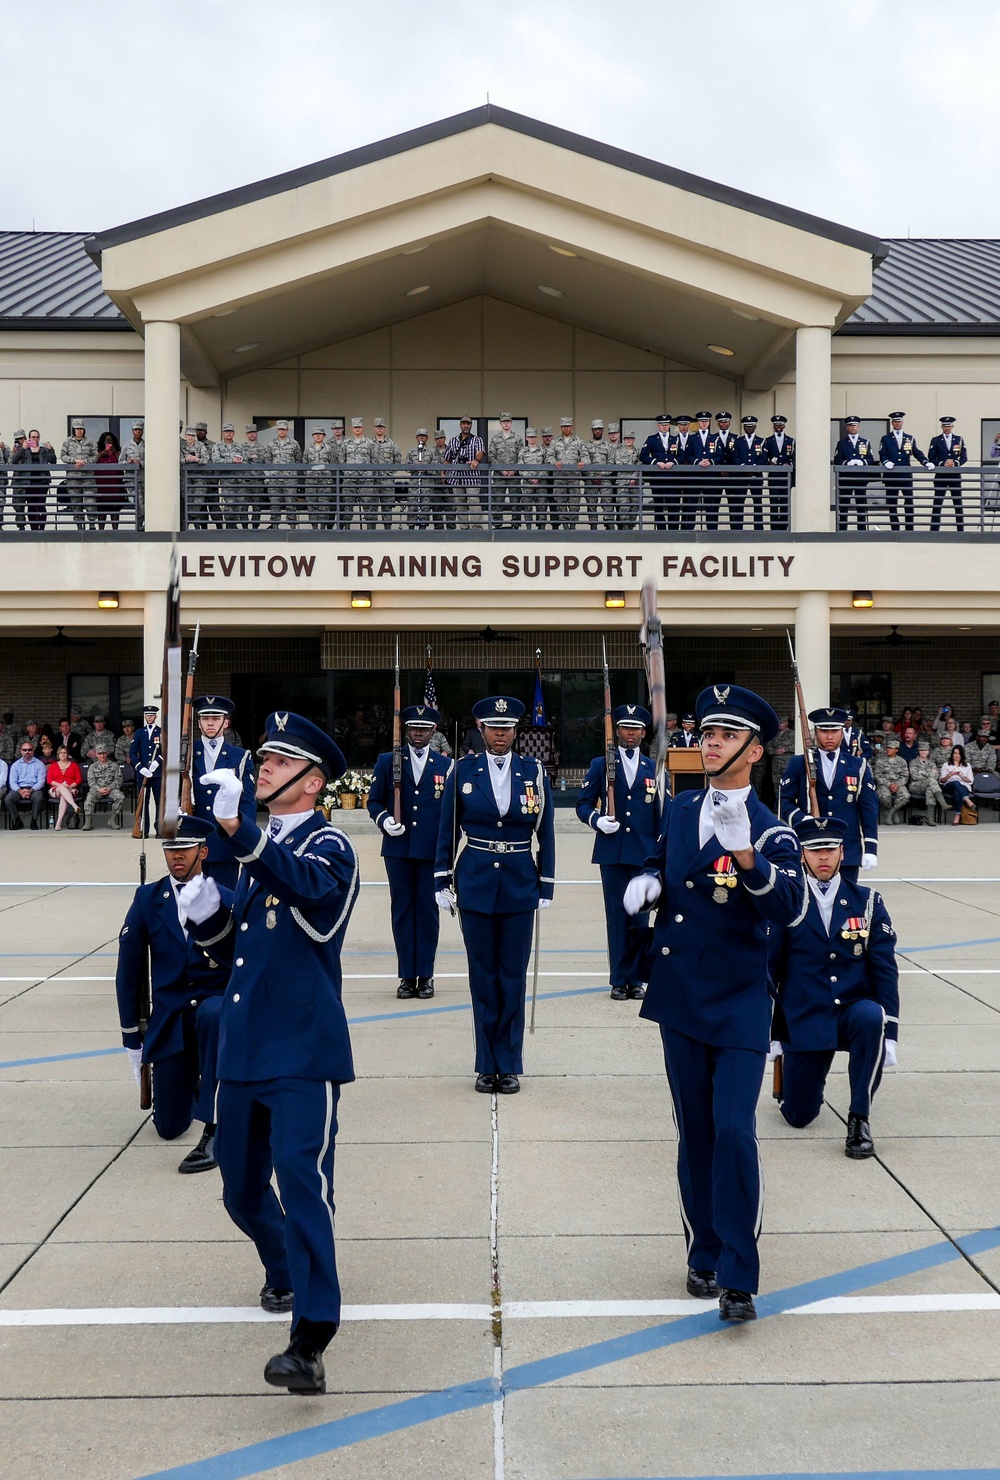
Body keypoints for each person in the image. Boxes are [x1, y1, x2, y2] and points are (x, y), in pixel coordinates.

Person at [179, 711, 360, 1395]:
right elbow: (237, 953)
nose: (264, 768)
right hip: (245, 1048)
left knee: (301, 1182)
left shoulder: (330, 847)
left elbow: (315, 911)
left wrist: (244, 838)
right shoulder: (261, 853)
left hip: (302, 1051)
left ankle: (310, 1340)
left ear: (312, 782)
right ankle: (286, 1270)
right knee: (239, 1188)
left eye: (281, 763)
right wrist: (206, 911)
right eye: (265, 759)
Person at [624, 683, 804, 1322]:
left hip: (738, 999)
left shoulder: (774, 829)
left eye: (726, 736)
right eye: (706, 733)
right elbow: (661, 858)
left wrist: (751, 857)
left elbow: (791, 907)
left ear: (755, 752)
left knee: (733, 1130)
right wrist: (645, 880)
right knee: (694, 1131)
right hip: (680, 996)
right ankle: (701, 1251)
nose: (710, 743)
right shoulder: (677, 811)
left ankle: (738, 1270)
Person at [434, 696, 555, 1095]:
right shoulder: (461, 771)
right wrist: (441, 879)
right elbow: (447, 829)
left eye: (507, 728)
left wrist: (547, 883)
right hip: (476, 882)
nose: (500, 734)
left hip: (520, 881)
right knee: (483, 978)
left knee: (512, 978)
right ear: (481, 729)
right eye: (493, 727)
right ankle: (487, 1064)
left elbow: (546, 831)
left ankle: (511, 1063)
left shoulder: (532, 771)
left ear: (516, 731)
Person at [769, 816, 898, 1160]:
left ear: (843, 852)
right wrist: (772, 1032)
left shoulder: (867, 901)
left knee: (872, 1017)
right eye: (814, 850)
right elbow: (769, 970)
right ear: (801, 855)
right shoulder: (788, 903)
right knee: (799, 1116)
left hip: (851, 1011)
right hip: (805, 1018)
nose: (822, 857)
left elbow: (885, 970)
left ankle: (859, 1119)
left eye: (829, 849)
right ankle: (797, 1086)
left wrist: (892, 1031)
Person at [116, 815, 230, 1173]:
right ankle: (193, 1084)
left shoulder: (226, 899)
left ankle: (216, 1124)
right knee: (168, 1128)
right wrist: (132, 1039)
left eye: (185, 849)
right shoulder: (148, 898)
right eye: (171, 849)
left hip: (213, 1008)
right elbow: (129, 969)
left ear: (204, 851)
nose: (177, 856)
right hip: (171, 1018)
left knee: (213, 1015)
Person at [576, 703, 662, 1001]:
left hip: (643, 853)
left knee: (640, 918)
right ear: (617, 731)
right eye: (625, 728)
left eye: (636, 728)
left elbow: (662, 813)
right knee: (616, 917)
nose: (630, 733)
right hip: (612, 853)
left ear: (643, 732)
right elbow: (583, 804)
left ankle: (637, 978)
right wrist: (597, 820)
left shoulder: (654, 768)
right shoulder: (602, 764)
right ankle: (618, 978)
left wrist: (661, 852)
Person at [367, 704, 451, 998]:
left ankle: (426, 975)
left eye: (424, 728)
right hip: (399, 849)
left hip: (431, 851)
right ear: (406, 730)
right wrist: (384, 820)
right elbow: (374, 801)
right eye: (413, 728)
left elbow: (451, 812)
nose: (418, 733)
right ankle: (406, 976)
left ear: (433, 731)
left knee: (428, 913)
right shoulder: (388, 761)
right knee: (402, 912)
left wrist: (448, 852)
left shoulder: (445, 766)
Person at [779, 706, 879, 885]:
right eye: (824, 731)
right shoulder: (798, 764)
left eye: (834, 730)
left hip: (846, 849)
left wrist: (871, 847)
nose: (830, 736)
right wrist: (801, 819)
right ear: (815, 732)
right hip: (809, 848)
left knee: (846, 904)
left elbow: (868, 809)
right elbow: (784, 801)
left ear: (842, 732)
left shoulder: (858, 765)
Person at [878, 413, 931, 533]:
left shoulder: (909, 438)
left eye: (899, 421)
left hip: (905, 476)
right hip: (891, 476)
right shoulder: (886, 438)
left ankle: (909, 530)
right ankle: (895, 530)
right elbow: (882, 454)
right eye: (895, 421)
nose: (897, 423)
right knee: (892, 505)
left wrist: (925, 462)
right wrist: (886, 462)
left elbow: (917, 453)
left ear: (903, 422)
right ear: (892, 423)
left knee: (908, 503)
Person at [833, 416, 876, 531]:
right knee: (844, 506)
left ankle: (861, 530)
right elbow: (837, 459)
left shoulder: (865, 442)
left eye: (855, 425)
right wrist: (847, 462)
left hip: (860, 478)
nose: (853, 427)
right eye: (851, 425)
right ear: (847, 427)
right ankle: (842, 530)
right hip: (846, 479)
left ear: (858, 426)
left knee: (861, 506)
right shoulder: (841, 443)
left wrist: (862, 461)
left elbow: (871, 458)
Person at [638, 415, 680, 532]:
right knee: (659, 505)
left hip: (672, 477)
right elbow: (643, 456)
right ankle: (661, 531)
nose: (664, 427)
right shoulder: (651, 439)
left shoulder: (675, 439)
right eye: (662, 425)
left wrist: (673, 462)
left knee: (673, 505)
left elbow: (682, 455)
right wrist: (655, 462)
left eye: (666, 424)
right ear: (658, 426)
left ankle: (673, 531)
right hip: (657, 477)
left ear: (669, 426)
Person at [548, 417, 590, 530]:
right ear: (561, 427)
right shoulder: (555, 442)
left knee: (574, 505)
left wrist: (582, 462)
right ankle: (566, 528)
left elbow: (585, 456)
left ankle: (572, 528)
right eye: (564, 426)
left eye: (568, 426)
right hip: (560, 478)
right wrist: (554, 462)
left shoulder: (578, 441)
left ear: (571, 427)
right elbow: (549, 456)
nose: (566, 428)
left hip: (574, 478)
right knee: (560, 504)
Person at [11, 429, 56, 531]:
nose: (35, 439)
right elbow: (14, 460)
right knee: (31, 506)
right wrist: (22, 448)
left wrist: (51, 450)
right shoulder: (25, 450)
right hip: (28, 482)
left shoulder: (43, 450)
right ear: (29, 438)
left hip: (42, 482)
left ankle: (42, 529)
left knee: (41, 506)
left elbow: (53, 461)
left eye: (37, 437)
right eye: (33, 437)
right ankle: (33, 529)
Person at [727, 415, 767, 531]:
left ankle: (759, 528)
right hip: (741, 476)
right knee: (739, 502)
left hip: (756, 476)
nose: (749, 428)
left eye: (751, 426)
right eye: (746, 426)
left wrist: (754, 468)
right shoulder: (738, 441)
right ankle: (738, 528)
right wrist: (744, 468)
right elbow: (735, 456)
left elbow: (763, 458)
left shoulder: (761, 441)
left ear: (755, 427)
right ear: (744, 427)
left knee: (757, 503)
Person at [444, 417, 485, 527]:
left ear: (471, 425)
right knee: (459, 502)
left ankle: (477, 528)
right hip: (456, 477)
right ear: (460, 425)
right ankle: (463, 528)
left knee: (473, 501)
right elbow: (447, 459)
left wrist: (476, 460)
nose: (466, 426)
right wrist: (444, 473)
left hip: (472, 476)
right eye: (463, 423)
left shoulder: (477, 440)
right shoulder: (453, 441)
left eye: (468, 424)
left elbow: (480, 452)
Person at [928, 416, 967, 532]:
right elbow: (931, 457)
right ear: (941, 427)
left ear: (952, 427)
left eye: (949, 426)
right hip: (941, 476)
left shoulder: (959, 439)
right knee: (937, 504)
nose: (947, 428)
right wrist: (942, 463)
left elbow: (964, 457)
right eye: (945, 426)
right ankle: (934, 531)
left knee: (958, 504)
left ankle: (960, 531)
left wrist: (955, 462)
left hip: (955, 476)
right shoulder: (935, 440)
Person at [58, 417, 96, 530]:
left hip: (87, 476)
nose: (79, 431)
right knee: (76, 502)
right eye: (77, 429)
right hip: (73, 477)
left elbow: (95, 456)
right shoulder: (67, 442)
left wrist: (86, 461)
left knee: (90, 501)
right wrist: (74, 460)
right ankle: (79, 526)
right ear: (73, 430)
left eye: (81, 429)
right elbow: (63, 456)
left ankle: (92, 524)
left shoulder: (89, 442)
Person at [489, 413, 524, 529]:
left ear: (511, 423)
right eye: (504, 422)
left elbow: (521, 456)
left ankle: (516, 524)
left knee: (515, 500)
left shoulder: (518, 438)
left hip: (514, 475)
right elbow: (491, 457)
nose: (506, 424)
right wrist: (501, 469)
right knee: (498, 500)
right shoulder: (495, 439)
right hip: (499, 475)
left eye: (508, 421)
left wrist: (514, 470)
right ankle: (497, 524)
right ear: (500, 423)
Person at [131, 704, 162, 833]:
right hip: (143, 773)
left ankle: (159, 830)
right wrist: (140, 767)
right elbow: (132, 753)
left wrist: (157, 762)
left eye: (152, 715)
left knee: (159, 802)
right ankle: (144, 829)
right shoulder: (139, 733)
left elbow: (167, 750)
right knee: (143, 803)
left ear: (156, 716)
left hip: (157, 773)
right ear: (145, 717)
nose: (150, 717)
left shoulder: (161, 732)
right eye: (148, 715)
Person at [82, 738, 125, 829]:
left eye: (104, 753)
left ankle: (112, 820)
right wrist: (99, 789)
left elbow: (119, 780)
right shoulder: (93, 767)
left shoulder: (114, 765)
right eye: (100, 754)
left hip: (111, 790)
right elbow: (91, 781)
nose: (102, 756)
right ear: (96, 755)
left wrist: (110, 788)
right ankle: (88, 822)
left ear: (107, 753)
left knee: (120, 797)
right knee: (89, 798)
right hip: (97, 790)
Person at [761, 414, 795, 529]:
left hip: (786, 477)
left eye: (780, 424)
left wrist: (789, 464)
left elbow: (795, 458)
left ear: (784, 426)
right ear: (773, 426)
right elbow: (764, 458)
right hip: (774, 477)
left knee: (785, 504)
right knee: (774, 504)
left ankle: (784, 528)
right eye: (776, 425)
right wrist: (769, 463)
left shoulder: (791, 441)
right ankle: (774, 529)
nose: (778, 427)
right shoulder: (768, 441)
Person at [5, 739, 47, 828]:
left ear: (33, 751)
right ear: (21, 751)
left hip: (34, 788)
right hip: (19, 789)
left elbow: (41, 781)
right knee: (8, 799)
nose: (27, 752)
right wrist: (20, 791)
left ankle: (34, 821)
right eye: (25, 750)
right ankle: (17, 821)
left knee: (38, 797)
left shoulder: (40, 764)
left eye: (30, 750)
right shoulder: (15, 765)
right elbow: (12, 782)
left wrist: (31, 790)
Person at [369, 417, 402, 530]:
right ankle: (371, 533)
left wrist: (389, 472)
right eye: (378, 427)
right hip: (373, 481)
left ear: (385, 429)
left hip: (387, 482)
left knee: (387, 508)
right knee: (372, 508)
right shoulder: (369, 444)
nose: (379, 429)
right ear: (374, 428)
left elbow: (397, 460)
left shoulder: (392, 444)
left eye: (381, 427)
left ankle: (387, 532)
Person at [94, 431, 128, 530]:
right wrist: (101, 454)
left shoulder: (118, 452)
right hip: (101, 487)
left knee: (114, 509)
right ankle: (101, 532)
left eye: (110, 441)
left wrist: (115, 453)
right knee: (102, 509)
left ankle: (115, 531)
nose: (108, 442)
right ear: (102, 442)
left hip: (115, 486)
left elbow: (122, 463)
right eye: (106, 441)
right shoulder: (97, 452)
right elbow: (92, 462)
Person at [873, 734, 909, 823]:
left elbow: (905, 776)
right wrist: (889, 784)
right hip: (884, 784)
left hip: (898, 784)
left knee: (905, 796)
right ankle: (889, 809)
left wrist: (897, 785)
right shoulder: (881, 761)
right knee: (884, 797)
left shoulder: (902, 761)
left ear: (896, 750)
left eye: (891, 748)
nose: (888, 750)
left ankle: (891, 813)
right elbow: (877, 775)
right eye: (888, 747)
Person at [908, 738, 945, 823]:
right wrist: (929, 774)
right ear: (918, 751)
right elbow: (915, 776)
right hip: (916, 786)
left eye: (926, 750)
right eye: (922, 750)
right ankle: (943, 802)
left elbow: (936, 776)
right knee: (931, 781)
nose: (924, 752)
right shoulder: (913, 762)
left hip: (929, 786)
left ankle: (931, 819)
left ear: (928, 752)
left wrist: (922, 773)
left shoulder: (932, 763)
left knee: (930, 790)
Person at [940, 745, 975, 824]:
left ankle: (957, 815)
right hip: (949, 785)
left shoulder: (967, 765)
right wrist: (948, 776)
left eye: (959, 754)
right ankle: (967, 800)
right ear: (952, 754)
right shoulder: (946, 765)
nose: (956, 755)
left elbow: (970, 781)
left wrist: (962, 777)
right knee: (956, 783)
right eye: (955, 753)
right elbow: (942, 781)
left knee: (957, 791)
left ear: (962, 755)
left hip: (964, 786)